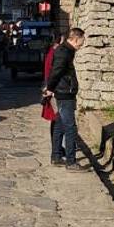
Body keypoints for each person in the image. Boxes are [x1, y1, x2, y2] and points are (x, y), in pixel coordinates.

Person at [45, 28, 86, 171]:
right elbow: (56, 71)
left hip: (63, 91)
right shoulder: (64, 52)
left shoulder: (66, 50)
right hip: (64, 93)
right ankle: (71, 161)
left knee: (60, 124)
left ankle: (56, 156)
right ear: (75, 39)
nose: (82, 45)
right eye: (81, 42)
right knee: (70, 127)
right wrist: (50, 88)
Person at [43, 34, 66, 158]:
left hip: (52, 89)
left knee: (55, 120)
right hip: (54, 91)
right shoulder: (54, 54)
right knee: (58, 120)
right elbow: (52, 73)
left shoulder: (52, 52)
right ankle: (57, 151)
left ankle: (57, 148)